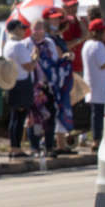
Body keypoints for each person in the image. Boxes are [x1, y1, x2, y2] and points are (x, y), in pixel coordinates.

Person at [42, 7, 76, 153]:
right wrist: (66, 56)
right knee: (53, 110)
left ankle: (61, 144)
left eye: (57, 18)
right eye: (53, 18)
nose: (56, 21)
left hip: (62, 79)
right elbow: (57, 55)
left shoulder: (57, 37)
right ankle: (52, 144)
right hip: (52, 80)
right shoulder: (47, 38)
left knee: (61, 109)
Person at [2, 19, 37, 157]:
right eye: (21, 28)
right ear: (15, 30)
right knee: (19, 117)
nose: (23, 31)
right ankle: (16, 148)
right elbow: (28, 66)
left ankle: (14, 146)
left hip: (13, 81)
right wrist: (35, 57)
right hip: (21, 82)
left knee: (15, 116)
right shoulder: (18, 46)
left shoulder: (8, 45)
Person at [30, 19, 62, 157]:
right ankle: (35, 147)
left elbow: (55, 60)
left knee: (50, 116)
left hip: (48, 85)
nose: (39, 31)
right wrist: (34, 56)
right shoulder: (27, 44)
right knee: (35, 118)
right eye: (36, 28)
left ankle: (49, 146)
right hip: (34, 87)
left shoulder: (49, 43)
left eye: (41, 28)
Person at [81, 18, 105, 146]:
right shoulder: (98, 46)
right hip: (99, 87)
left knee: (96, 115)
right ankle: (97, 141)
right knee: (98, 116)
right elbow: (103, 64)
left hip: (93, 84)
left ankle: (96, 139)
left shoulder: (87, 44)